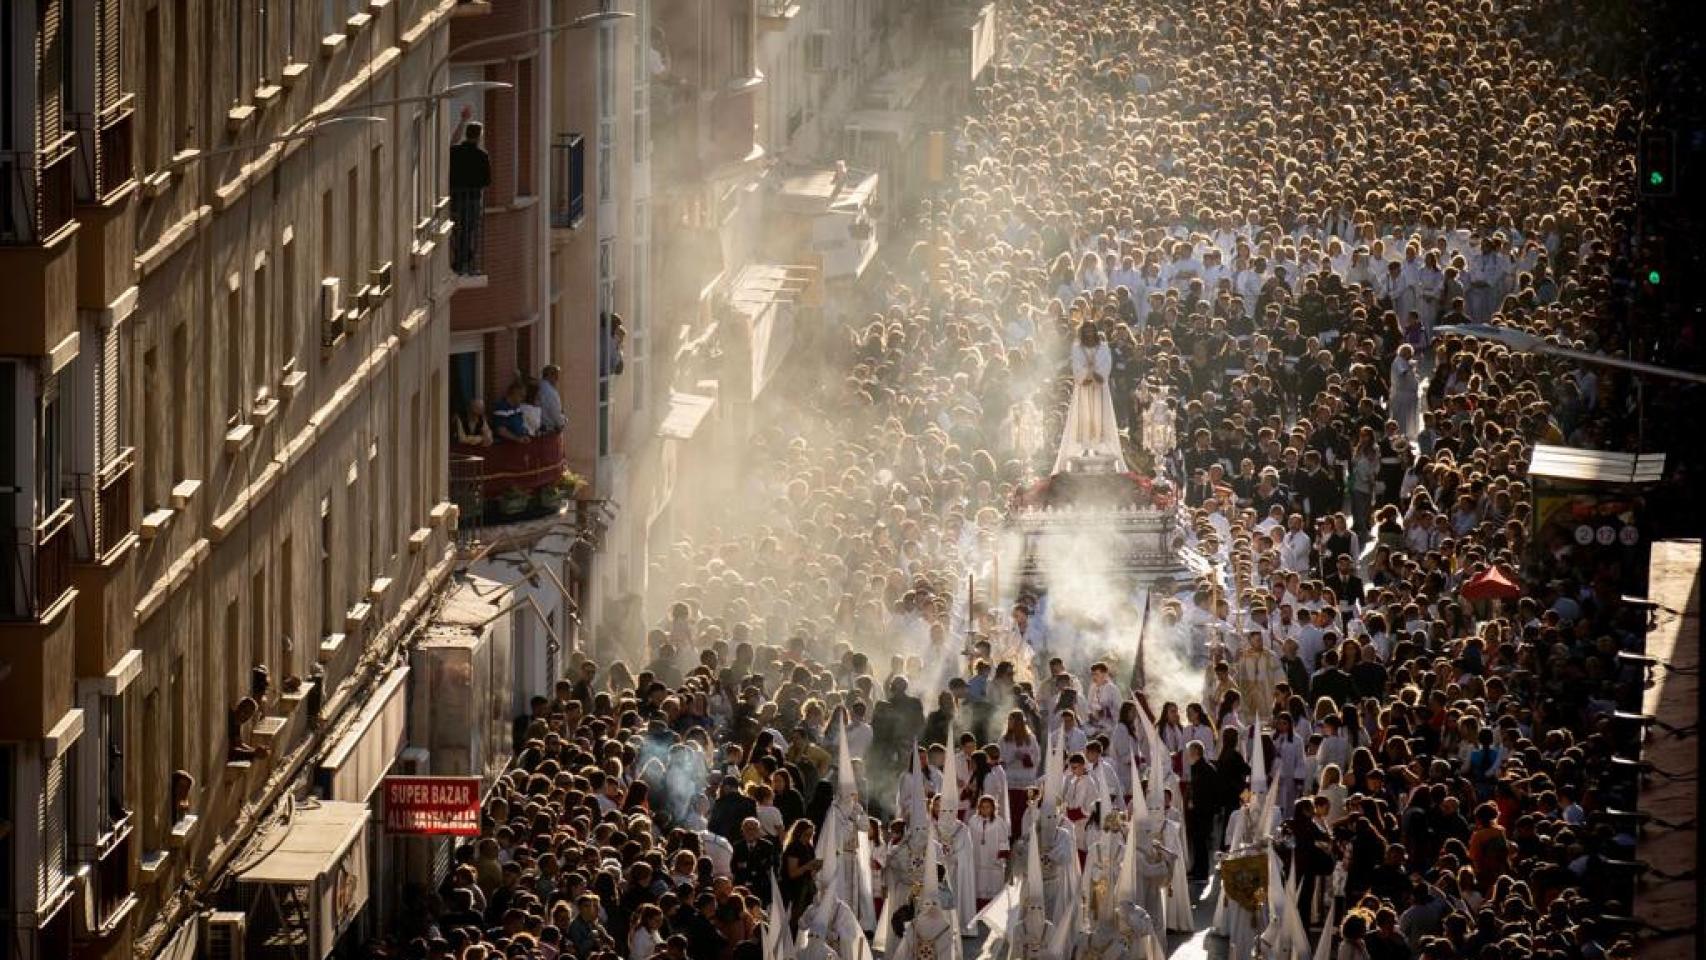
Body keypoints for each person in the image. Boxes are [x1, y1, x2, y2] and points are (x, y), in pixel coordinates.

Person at [1053, 323, 1128, 474]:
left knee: (1100, 417)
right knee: (1084, 416)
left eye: (1091, 331)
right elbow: (1077, 366)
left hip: (1100, 389)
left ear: (1095, 332)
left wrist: (1095, 374)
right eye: (1085, 331)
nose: (1088, 334)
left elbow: (1106, 365)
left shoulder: (1104, 348)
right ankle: (1086, 446)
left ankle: (1099, 447)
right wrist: (1087, 374)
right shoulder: (1077, 348)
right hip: (1084, 389)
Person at [448, 110, 491, 274]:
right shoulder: (482, 155)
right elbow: (487, 181)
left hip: (456, 198)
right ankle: (463, 260)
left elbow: (452, 143)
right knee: (468, 230)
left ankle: (461, 258)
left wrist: (462, 121)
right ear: (479, 136)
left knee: (458, 230)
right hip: (472, 199)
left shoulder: (456, 151)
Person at [538, 364, 566, 433]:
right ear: (548, 375)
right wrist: (563, 420)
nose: (557, 378)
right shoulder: (551, 392)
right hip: (548, 430)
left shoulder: (539, 387)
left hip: (539, 428)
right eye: (555, 374)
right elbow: (555, 413)